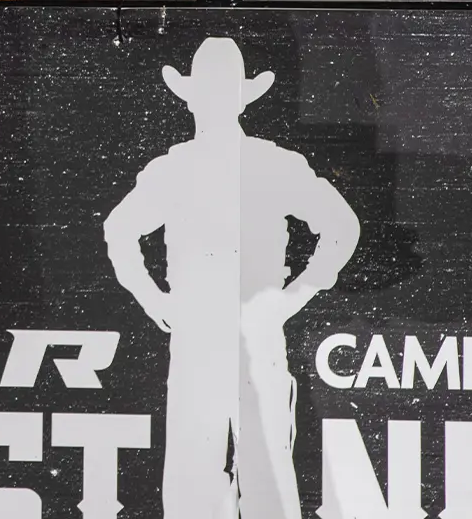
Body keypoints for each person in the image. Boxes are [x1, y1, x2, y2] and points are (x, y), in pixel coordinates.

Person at [102, 37, 359, 519]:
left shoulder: (251, 164)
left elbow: (343, 226)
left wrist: (291, 298)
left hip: (245, 329)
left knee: (251, 477)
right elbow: (118, 230)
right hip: (214, 330)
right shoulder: (188, 167)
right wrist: (154, 297)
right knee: (207, 481)